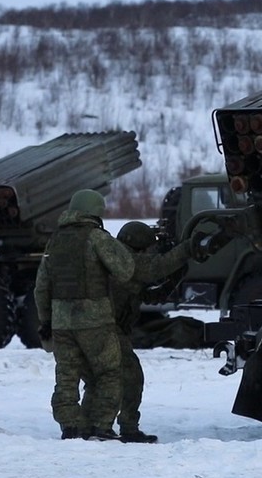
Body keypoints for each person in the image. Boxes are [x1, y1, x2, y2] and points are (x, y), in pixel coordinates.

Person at [80, 220, 217, 443]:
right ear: (139, 247)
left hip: (103, 328)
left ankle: (87, 427)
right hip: (106, 329)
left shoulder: (119, 261)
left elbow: (153, 296)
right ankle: (124, 428)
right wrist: (186, 249)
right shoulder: (125, 260)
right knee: (131, 377)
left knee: (99, 379)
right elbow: (156, 268)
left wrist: (179, 272)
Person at [34, 189, 135, 441]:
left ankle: (70, 427)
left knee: (66, 376)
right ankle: (101, 426)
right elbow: (125, 270)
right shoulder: (96, 237)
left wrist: (46, 320)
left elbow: (41, 286)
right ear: (96, 212)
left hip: (61, 321)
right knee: (109, 373)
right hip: (95, 321)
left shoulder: (55, 241)